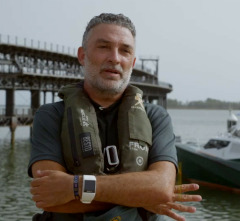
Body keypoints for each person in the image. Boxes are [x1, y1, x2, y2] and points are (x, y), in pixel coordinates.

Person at [28, 13, 202, 221]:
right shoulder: (51, 116)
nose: (115, 58)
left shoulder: (156, 116)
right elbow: (50, 197)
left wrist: (75, 186)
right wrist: (141, 196)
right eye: (104, 47)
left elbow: (162, 189)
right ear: (82, 55)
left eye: (125, 51)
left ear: (133, 61)